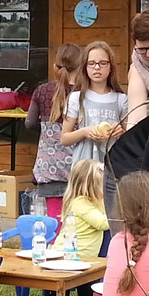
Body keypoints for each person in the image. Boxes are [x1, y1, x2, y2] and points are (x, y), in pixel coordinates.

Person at [11, 158, 103, 296]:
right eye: (102, 184)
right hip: (67, 256)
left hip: (86, 259)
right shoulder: (80, 202)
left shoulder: (97, 202)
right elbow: (102, 223)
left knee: (88, 291)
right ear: (90, 186)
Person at [59, 40, 127, 228]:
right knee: (81, 217)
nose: (97, 68)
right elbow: (64, 138)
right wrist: (84, 131)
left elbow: (130, 135)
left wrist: (121, 131)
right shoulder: (76, 98)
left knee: (109, 215)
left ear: (110, 67)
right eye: (92, 63)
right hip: (84, 167)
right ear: (85, 67)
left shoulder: (121, 100)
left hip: (111, 166)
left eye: (102, 63)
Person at [24, 44, 82, 221]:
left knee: (55, 219)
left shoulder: (42, 91)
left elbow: (29, 123)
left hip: (50, 166)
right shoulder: (85, 93)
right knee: (80, 220)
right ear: (81, 66)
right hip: (79, 166)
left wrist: (47, 131)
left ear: (55, 66)